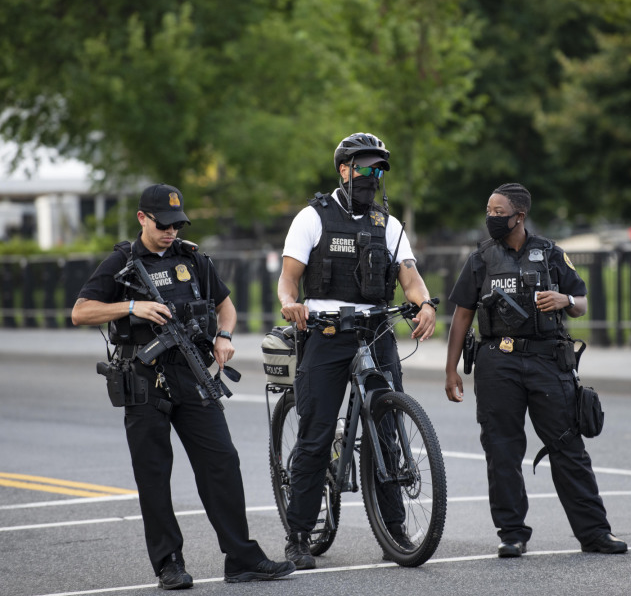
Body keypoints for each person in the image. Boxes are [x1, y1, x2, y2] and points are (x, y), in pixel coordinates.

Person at [72, 183, 295, 588]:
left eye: (177, 224)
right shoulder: (122, 261)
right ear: (142, 218)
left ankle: (241, 557)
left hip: (191, 374)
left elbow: (226, 306)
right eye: (163, 225)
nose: (171, 232)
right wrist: (133, 306)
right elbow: (81, 311)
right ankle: (169, 563)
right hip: (143, 378)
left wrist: (224, 336)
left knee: (222, 461)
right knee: (154, 474)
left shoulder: (191, 257)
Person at [277, 132, 436, 568]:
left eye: (379, 169)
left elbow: (410, 278)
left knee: (387, 431)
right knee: (316, 435)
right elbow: (288, 279)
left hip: (376, 331)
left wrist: (424, 304)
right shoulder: (313, 217)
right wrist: (290, 303)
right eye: (365, 167)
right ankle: (298, 534)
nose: (373, 176)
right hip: (327, 332)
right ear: (344, 170)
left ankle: (394, 529)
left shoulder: (389, 225)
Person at [443, 182, 627, 558]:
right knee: (502, 450)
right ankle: (512, 534)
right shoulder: (480, 258)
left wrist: (564, 299)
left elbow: (581, 303)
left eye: (498, 212)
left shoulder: (550, 253)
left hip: (547, 361)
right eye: (489, 211)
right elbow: (462, 315)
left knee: (568, 446)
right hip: (497, 362)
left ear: (519, 216)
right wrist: (451, 369)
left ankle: (594, 533)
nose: (491, 218)